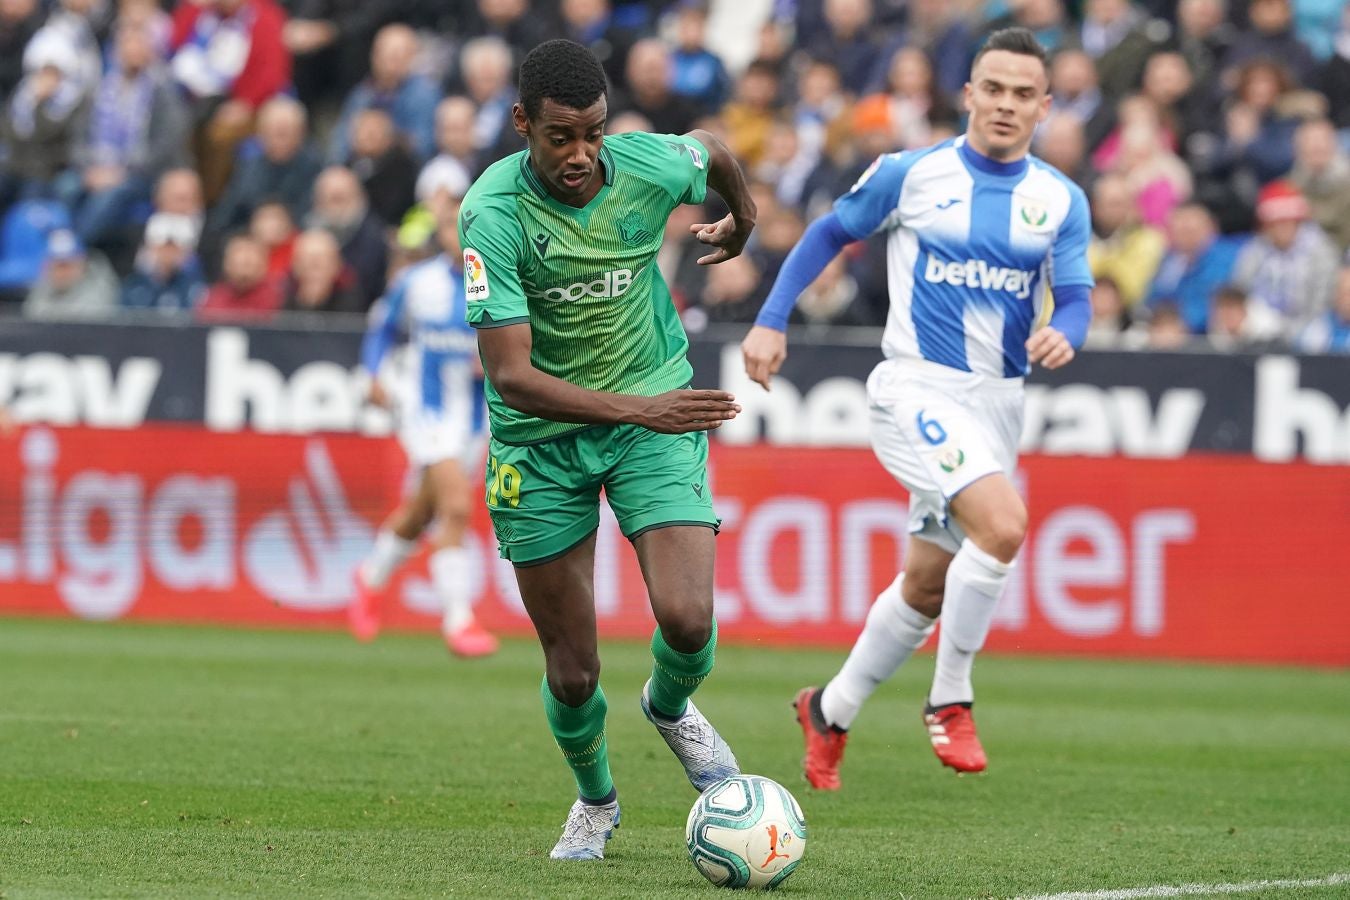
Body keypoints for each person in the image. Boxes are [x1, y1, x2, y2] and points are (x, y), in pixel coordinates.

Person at [740, 27, 1093, 787]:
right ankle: (950, 698)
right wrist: (771, 319)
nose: (1005, 104)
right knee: (1003, 526)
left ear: (1045, 107)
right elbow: (829, 231)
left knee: (928, 585)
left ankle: (828, 709)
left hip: (998, 405)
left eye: (1022, 93)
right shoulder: (912, 173)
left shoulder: (1060, 200)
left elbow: (1076, 297)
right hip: (916, 389)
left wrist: (1067, 331)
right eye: (992, 88)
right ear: (968, 94)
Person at [459, 38, 755, 860]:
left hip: (648, 417)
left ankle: (669, 706)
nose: (582, 154)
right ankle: (596, 800)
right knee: (573, 671)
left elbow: (713, 152)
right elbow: (512, 377)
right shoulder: (491, 214)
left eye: (594, 133)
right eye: (561, 137)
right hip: (539, 443)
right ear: (522, 123)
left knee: (688, 619)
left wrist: (744, 219)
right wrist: (642, 409)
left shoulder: (645, 165)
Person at [348, 207, 499, 658]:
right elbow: (383, 331)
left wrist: (496, 359)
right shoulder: (416, 282)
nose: (461, 232)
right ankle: (459, 620)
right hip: (425, 411)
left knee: (421, 513)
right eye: (452, 225)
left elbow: (525, 342)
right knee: (456, 507)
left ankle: (369, 578)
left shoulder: (502, 281)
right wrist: (373, 374)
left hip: (475, 419)